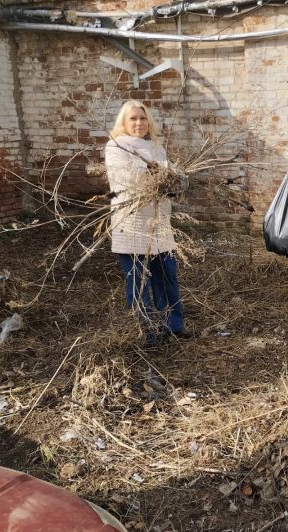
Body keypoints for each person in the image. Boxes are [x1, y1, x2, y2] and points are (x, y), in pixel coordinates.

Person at [105, 99, 191, 347]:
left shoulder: (155, 147)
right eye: (133, 118)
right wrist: (165, 173)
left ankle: (173, 326)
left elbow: (177, 180)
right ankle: (148, 333)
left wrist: (173, 177)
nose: (138, 123)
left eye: (142, 118)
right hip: (131, 224)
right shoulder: (116, 147)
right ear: (123, 121)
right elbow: (134, 180)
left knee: (167, 276)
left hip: (159, 223)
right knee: (138, 281)